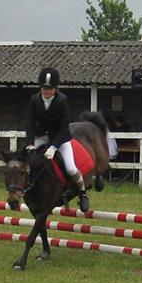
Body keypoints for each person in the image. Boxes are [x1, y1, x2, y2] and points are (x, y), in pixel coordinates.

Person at [27, 67, 88, 210]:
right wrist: (30, 144)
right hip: (41, 137)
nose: (46, 91)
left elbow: (64, 127)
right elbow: (29, 123)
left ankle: (83, 193)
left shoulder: (62, 100)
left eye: (50, 88)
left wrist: (54, 147)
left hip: (60, 139)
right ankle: (27, 190)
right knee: (29, 162)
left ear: (55, 88)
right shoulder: (34, 100)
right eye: (44, 88)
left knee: (71, 168)